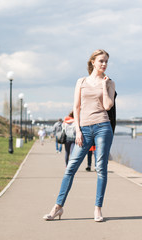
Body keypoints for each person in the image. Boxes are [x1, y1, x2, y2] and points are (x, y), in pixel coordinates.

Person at [43, 49, 115, 222]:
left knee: (101, 169)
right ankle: (58, 207)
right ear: (92, 62)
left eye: (106, 61)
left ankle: (98, 209)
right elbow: (76, 108)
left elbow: (107, 106)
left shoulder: (110, 82)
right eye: (101, 61)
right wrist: (78, 130)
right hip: (84, 128)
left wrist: (104, 87)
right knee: (71, 168)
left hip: (103, 127)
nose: (104, 64)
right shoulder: (81, 82)